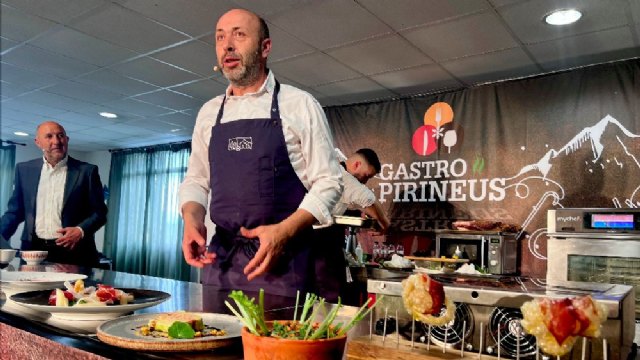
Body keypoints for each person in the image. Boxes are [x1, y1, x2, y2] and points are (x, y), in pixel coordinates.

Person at [178, 9, 343, 299]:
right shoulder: (208, 113)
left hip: (283, 265)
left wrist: (284, 231)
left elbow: (330, 182)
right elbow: (197, 180)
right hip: (221, 265)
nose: (227, 45)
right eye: (220, 37)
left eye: (239, 34)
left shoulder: (299, 104)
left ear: (265, 47)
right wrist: (191, 220)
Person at [0, 121, 108, 267]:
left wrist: (80, 230)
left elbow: (100, 212)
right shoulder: (24, 170)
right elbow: (14, 212)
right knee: (32, 291)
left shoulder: (87, 172)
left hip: (73, 252)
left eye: (60, 135)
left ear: (67, 140)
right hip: (34, 251)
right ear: (38, 142)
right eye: (49, 136)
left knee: (70, 291)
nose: (56, 141)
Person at [334, 148, 390, 233]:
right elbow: (369, 200)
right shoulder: (342, 176)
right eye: (366, 176)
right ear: (357, 165)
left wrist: (358, 214)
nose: (364, 182)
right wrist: (386, 225)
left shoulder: (335, 160)